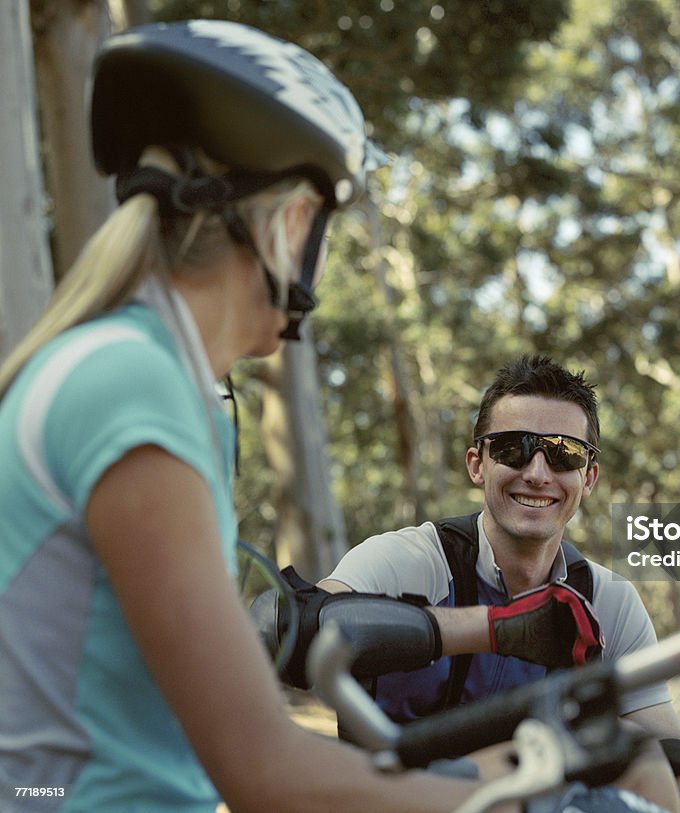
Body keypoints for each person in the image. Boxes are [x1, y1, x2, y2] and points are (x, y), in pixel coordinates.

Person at [0, 19, 516, 813]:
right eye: (321, 228)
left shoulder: (132, 370)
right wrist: (525, 784)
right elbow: (262, 769)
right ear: (289, 220)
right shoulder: (131, 382)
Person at [264, 356, 680, 812]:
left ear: (588, 478)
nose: (537, 472)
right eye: (513, 448)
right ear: (476, 464)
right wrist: (497, 626)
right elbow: (288, 627)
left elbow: (668, 754)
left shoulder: (608, 601)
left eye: (563, 454)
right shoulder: (412, 561)